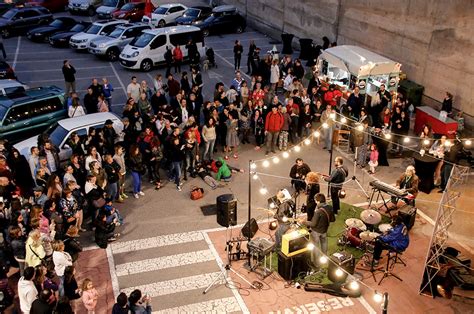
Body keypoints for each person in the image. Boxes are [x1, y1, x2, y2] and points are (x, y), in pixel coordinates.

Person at [302, 193, 334, 266]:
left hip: (316, 232)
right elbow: (332, 219)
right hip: (324, 230)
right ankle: (325, 258)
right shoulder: (330, 207)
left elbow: (313, 224)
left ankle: (317, 263)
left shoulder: (318, 211)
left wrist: (304, 222)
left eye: (316, 200)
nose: (315, 202)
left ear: (318, 201)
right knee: (324, 243)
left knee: (316, 247)